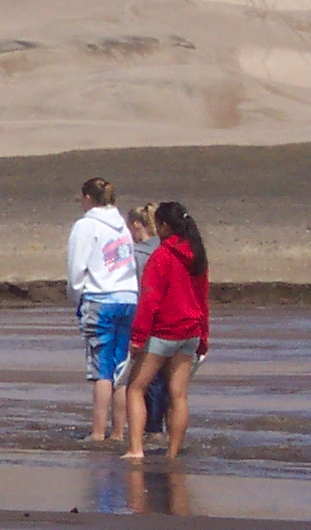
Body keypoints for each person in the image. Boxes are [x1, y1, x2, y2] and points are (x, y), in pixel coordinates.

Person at [124, 202, 212, 463]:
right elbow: (202, 298)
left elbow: (150, 300)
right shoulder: (197, 255)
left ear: (163, 226)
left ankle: (136, 449)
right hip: (190, 331)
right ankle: (172, 453)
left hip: (164, 332)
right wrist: (204, 338)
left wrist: (138, 337)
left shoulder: (161, 256)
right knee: (178, 394)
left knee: (135, 388)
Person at [68, 177, 139, 444]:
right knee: (121, 367)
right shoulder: (122, 224)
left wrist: (75, 296)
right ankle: (119, 432)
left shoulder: (86, 226)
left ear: (88, 198)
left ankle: (98, 432)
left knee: (101, 369)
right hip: (128, 298)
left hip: (101, 298)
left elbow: (77, 269)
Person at [123, 202, 171, 439]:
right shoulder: (169, 249)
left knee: (145, 379)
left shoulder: (139, 254)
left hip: (151, 319)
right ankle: (162, 428)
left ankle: (151, 429)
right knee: (168, 380)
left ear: (136, 225)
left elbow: (141, 292)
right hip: (174, 319)